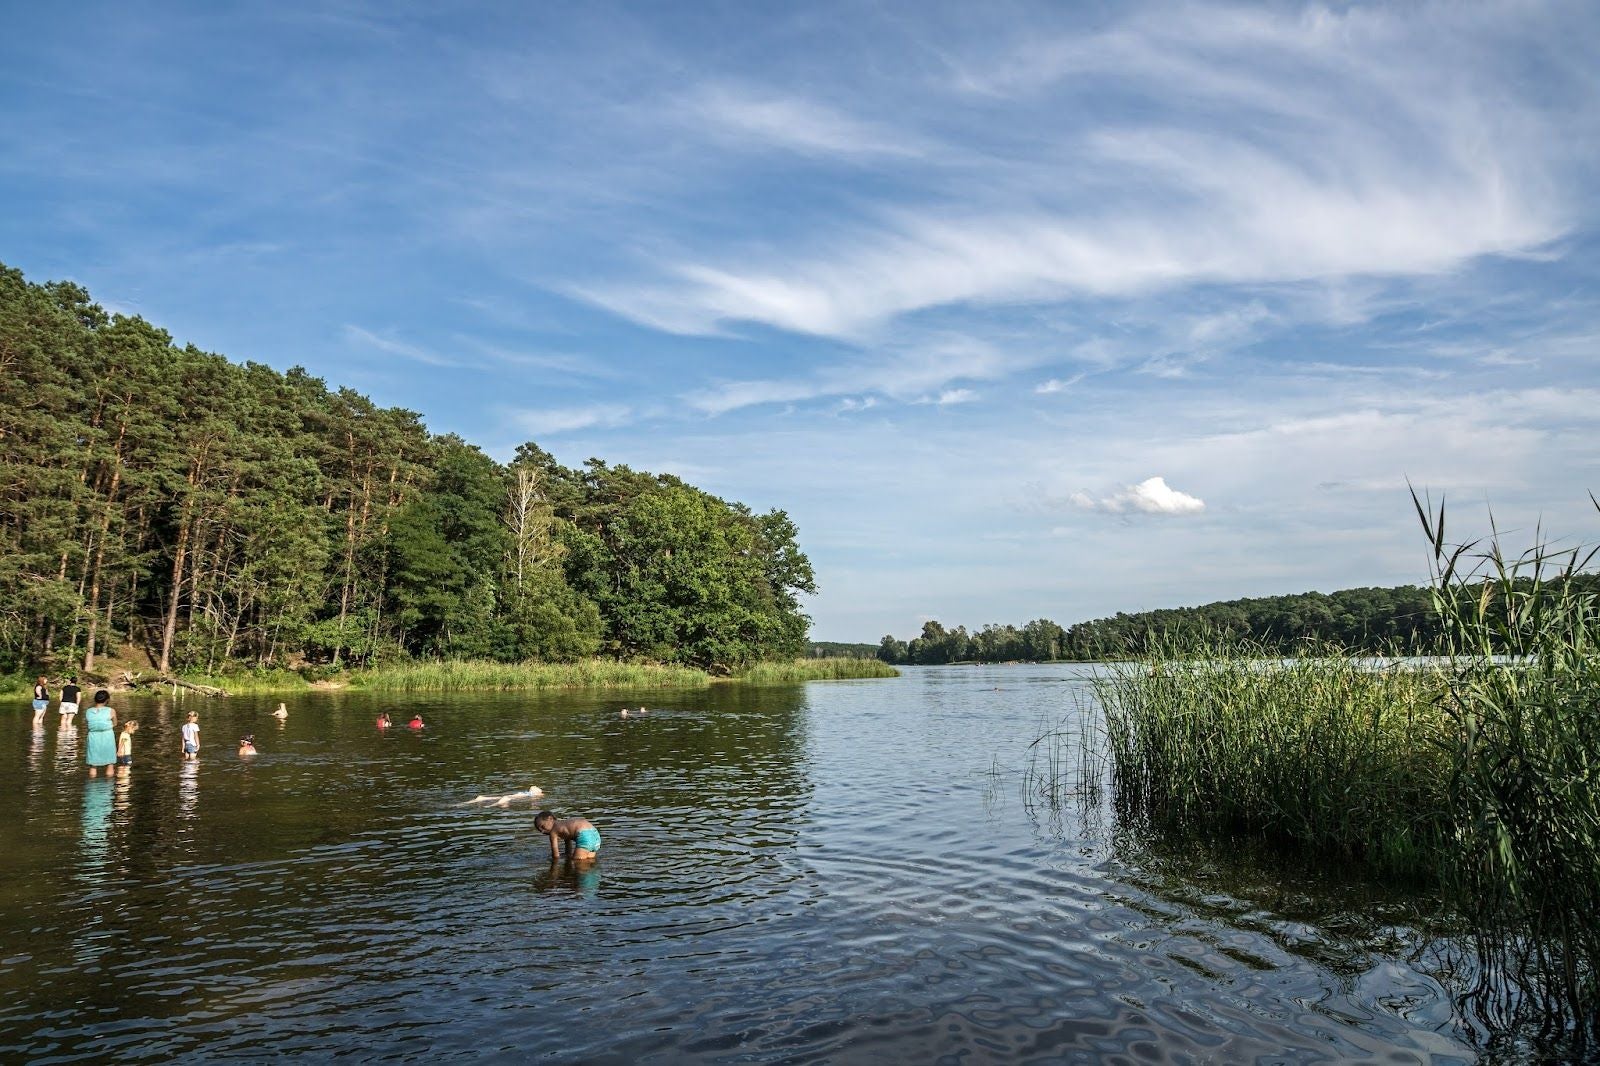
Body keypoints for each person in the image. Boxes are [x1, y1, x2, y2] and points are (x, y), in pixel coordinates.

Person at [534, 810, 601, 863]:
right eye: (539, 830)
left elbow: (555, 854)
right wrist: (567, 854)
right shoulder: (564, 825)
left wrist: (554, 862)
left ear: (550, 818)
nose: (542, 831)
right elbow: (568, 843)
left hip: (584, 836)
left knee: (579, 863)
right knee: (589, 861)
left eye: (543, 827)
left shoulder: (553, 832)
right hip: (595, 834)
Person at [84, 690, 117, 778]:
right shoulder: (111, 710)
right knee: (110, 763)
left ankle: (92, 784)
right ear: (107, 700)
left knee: (93, 764)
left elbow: (88, 723)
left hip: (93, 737)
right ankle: (109, 785)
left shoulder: (88, 711)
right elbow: (115, 723)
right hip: (107, 736)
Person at [463, 784, 543, 808]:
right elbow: (536, 791)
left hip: (512, 796)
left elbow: (533, 787)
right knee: (504, 799)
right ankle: (489, 806)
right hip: (510, 797)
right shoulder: (532, 793)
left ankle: (483, 800)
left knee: (484, 798)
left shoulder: (527, 793)